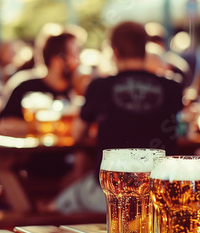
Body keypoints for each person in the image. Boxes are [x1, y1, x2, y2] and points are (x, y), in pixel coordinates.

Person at [51, 21, 184, 214]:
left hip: (110, 192)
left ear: (115, 51)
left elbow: (77, 134)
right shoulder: (173, 88)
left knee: (55, 207)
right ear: (145, 49)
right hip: (160, 191)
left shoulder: (99, 87)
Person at [0, 30, 81, 177]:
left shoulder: (77, 90)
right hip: (31, 167)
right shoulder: (26, 86)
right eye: (74, 54)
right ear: (57, 60)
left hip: (70, 165)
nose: (78, 61)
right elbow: (2, 126)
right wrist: (44, 126)